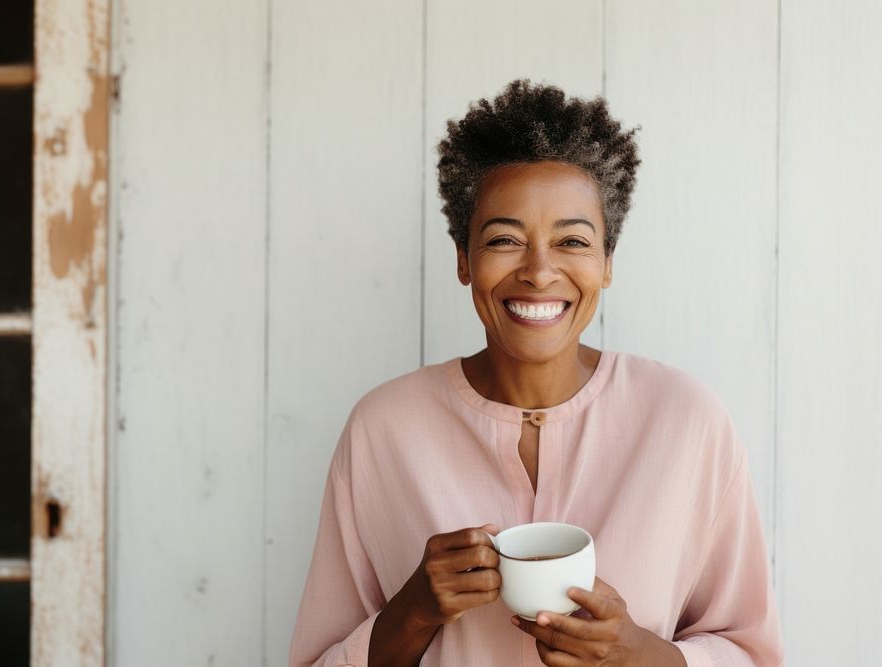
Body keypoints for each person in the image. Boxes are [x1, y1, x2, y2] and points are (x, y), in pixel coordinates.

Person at [289, 79, 784, 666]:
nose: (539, 271)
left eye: (572, 240)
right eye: (504, 239)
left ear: (606, 264)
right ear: (463, 261)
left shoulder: (688, 422)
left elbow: (751, 653)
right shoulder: (383, 428)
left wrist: (639, 654)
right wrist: (413, 609)